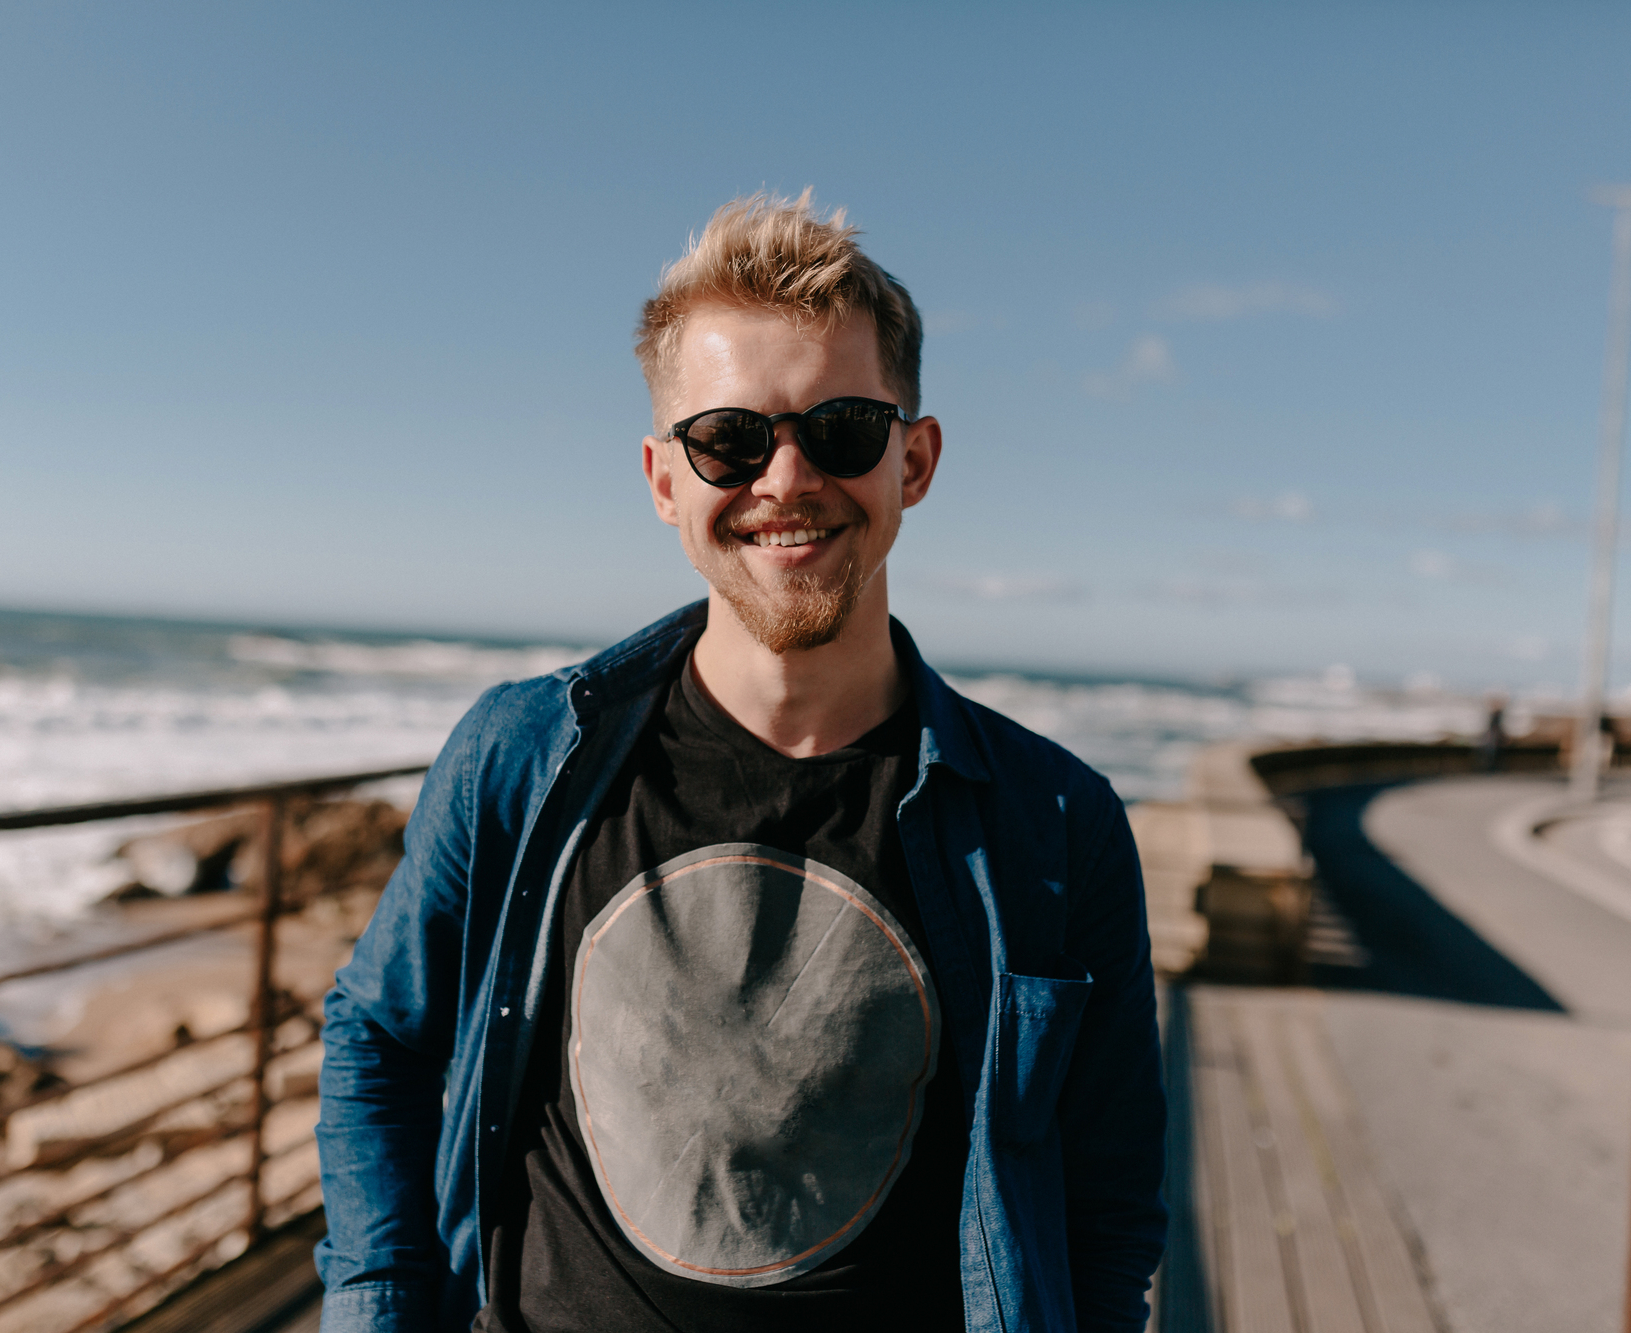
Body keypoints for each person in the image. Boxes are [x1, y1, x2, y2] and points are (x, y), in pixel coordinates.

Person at [316, 192, 1167, 1333]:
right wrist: (377, 1308)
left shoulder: (1053, 823)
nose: (784, 480)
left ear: (912, 461)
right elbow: (378, 1035)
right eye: (728, 439)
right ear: (665, 478)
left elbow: (1106, 1201)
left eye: (842, 429)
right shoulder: (521, 760)